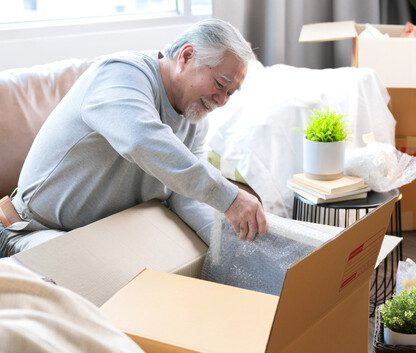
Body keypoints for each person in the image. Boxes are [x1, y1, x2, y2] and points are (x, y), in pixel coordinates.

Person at [0, 19, 266, 258]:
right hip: (29, 231)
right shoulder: (121, 74)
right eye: (220, 84)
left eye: (230, 93)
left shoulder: (194, 120)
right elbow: (142, 140)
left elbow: (185, 193)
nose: (221, 101)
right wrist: (229, 197)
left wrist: (231, 249)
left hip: (101, 239)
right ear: (187, 56)